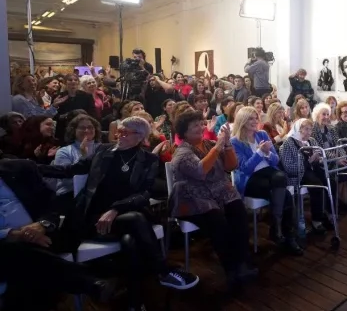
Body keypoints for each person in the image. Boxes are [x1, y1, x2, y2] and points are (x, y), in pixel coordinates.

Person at [49, 117, 200, 310]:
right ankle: (163, 272)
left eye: (124, 133)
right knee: (135, 223)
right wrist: (32, 167)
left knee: (130, 240)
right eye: (118, 131)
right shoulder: (103, 151)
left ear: (140, 137)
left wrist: (115, 209)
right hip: (95, 219)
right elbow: (70, 170)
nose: (118, 135)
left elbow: (144, 194)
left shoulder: (149, 159)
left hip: (124, 217)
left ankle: (135, 302)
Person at [0, 155, 116, 311]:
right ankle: (88, 280)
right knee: (12, 256)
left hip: (44, 236)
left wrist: (42, 224)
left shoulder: (19, 168)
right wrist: (12, 234)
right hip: (6, 244)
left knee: (20, 268)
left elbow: (52, 202)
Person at [170, 111, 258, 290]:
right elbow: (200, 172)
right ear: (184, 132)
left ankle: (242, 262)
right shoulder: (182, 153)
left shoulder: (208, 144)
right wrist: (218, 147)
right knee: (217, 222)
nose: (201, 128)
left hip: (218, 192)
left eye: (201, 124)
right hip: (193, 198)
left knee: (238, 211)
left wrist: (227, 144)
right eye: (195, 126)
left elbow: (231, 166)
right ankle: (231, 269)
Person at [230, 107, 302, 255]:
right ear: (242, 120)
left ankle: (281, 232)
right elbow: (245, 169)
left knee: (283, 187)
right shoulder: (235, 141)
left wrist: (268, 153)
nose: (255, 121)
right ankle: (282, 233)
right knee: (285, 191)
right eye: (250, 118)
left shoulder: (262, 134)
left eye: (256, 118)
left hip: (270, 175)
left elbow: (275, 160)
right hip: (251, 179)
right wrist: (259, 152)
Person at [280, 119, 335, 234]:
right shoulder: (288, 143)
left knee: (330, 180)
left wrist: (319, 159)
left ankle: (326, 213)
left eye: (310, 129)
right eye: (306, 129)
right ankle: (316, 221)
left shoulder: (311, 140)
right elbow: (289, 168)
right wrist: (309, 161)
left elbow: (320, 158)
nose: (309, 132)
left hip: (313, 169)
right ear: (298, 129)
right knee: (317, 186)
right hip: (299, 174)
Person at [51, 114, 102, 206]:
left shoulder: (103, 149)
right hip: (70, 195)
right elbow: (66, 179)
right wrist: (83, 157)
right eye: (82, 128)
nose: (86, 130)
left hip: (97, 194)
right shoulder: (64, 151)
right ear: (73, 130)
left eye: (90, 127)